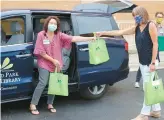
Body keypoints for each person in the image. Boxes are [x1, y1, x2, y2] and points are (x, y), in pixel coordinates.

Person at [96, 6, 161, 120]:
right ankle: (156, 111)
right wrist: (103, 33)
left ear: (142, 14)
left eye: (136, 16)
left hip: (151, 61)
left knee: (147, 87)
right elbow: (120, 31)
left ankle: (144, 114)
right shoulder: (137, 27)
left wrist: (153, 63)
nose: (135, 18)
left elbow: (156, 44)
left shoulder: (151, 25)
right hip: (142, 60)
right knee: (150, 86)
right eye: (134, 16)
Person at [30, 16, 95, 115]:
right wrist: (53, 60)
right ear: (47, 24)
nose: (53, 25)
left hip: (56, 63)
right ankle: (33, 104)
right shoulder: (41, 35)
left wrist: (91, 38)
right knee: (43, 82)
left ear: (57, 26)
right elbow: (41, 52)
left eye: (55, 24)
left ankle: (50, 104)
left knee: (54, 82)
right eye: (51, 23)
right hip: (45, 62)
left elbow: (74, 38)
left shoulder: (59, 35)